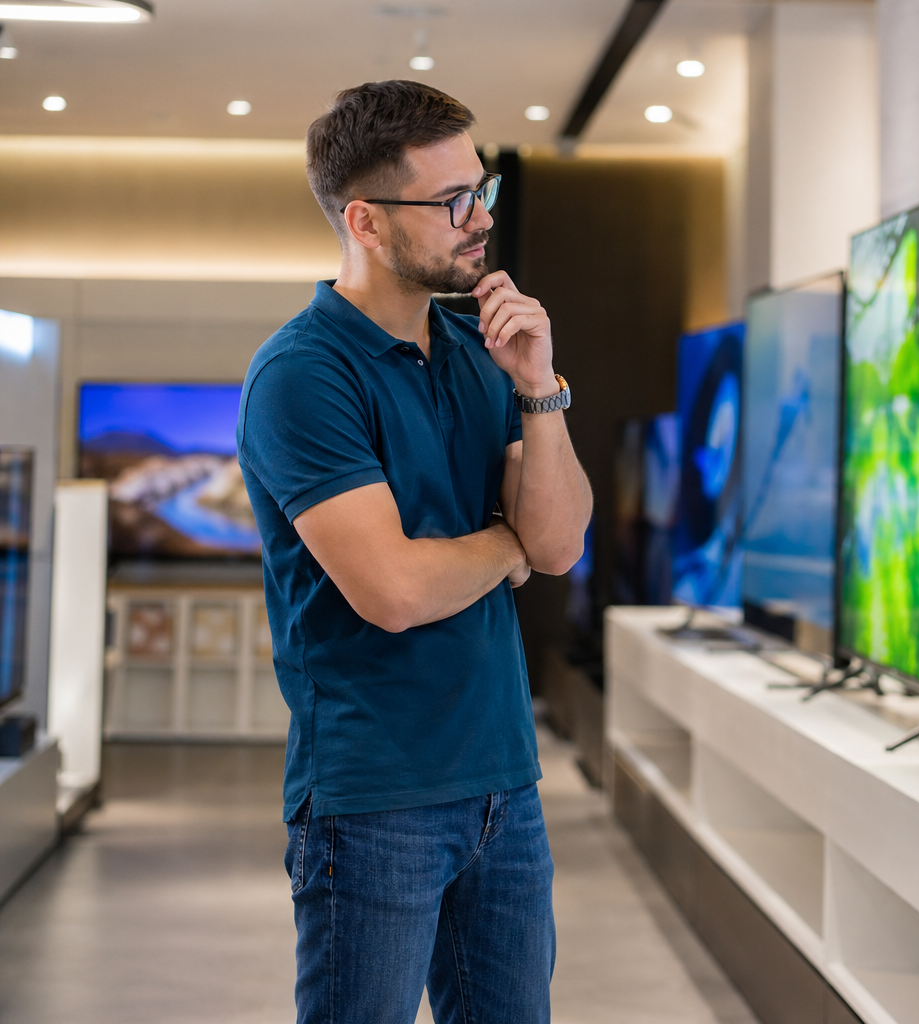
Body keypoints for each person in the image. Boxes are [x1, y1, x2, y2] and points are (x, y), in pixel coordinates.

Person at [238, 79, 591, 1024]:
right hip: (373, 799)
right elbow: (392, 589)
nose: (478, 221)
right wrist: (501, 546)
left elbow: (556, 545)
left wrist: (541, 388)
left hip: (503, 786)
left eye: (482, 193)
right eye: (450, 204)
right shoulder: (301, 375)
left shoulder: (488, 347)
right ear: (365, 220)